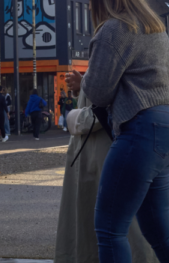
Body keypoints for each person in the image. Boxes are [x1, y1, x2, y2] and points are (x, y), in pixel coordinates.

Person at [65, 0, 169, 263]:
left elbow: (98, 93)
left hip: (140, 132)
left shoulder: (113, 29)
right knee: (161, 234)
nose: (87, 2)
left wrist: (84, 82)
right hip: (168, 129)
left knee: (109, 231)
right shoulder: (153, 26)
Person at [55, 88, 156, 263]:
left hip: (107, 146)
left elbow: (104, 98)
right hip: (149, 139)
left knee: (114, 227)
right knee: (154, 226)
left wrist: (74, 117)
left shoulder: (116, 63)